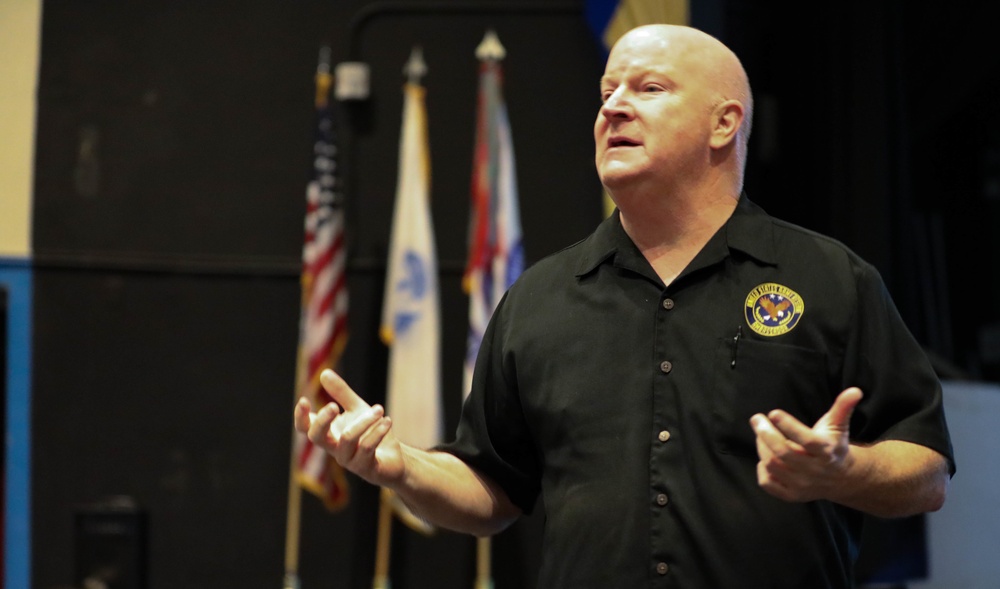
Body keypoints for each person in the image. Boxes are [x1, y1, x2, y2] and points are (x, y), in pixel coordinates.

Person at [295, 23, 954, 588]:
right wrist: (400, 466)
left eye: (648, 88)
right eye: (607, 91)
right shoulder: (540, 298)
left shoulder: (831, 278)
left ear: (724, 123)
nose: (613, 107)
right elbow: (492, 488)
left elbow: (924, 474)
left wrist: (842, 470)